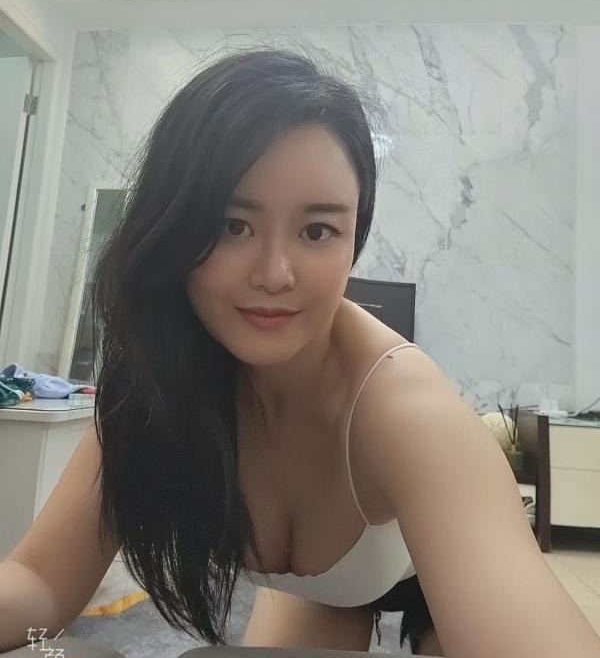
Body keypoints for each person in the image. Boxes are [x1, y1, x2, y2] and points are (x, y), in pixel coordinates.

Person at [1, 48, 599, 658]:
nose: (275, 274)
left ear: (353, 238)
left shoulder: (407, 410)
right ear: (173, 225)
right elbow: (42, 581)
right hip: (326, 590)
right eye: (233, 225)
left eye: (317, 231)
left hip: (428, 576)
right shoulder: (157, 381)